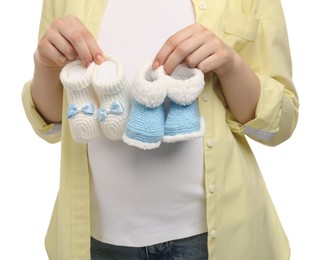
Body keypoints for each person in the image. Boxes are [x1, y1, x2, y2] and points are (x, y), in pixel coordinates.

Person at [22, 0, 299, 259]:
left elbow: (279, 127)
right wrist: (44, 64)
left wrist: (231, 65)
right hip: (96, 240)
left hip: (215, 236)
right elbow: (51, 127)